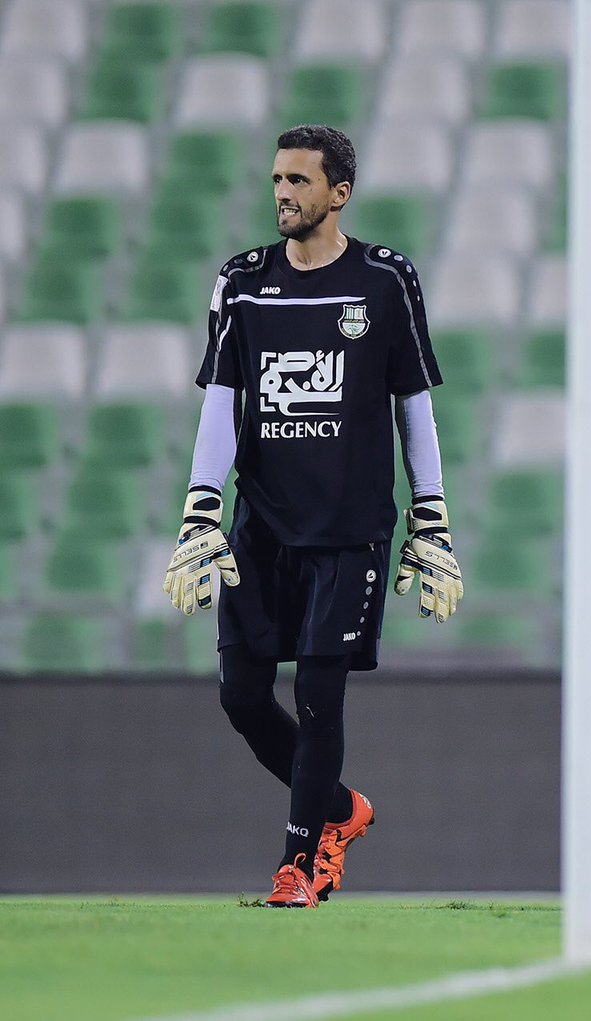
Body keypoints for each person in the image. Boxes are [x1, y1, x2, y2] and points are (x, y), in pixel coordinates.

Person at [163, 124, 463, 908]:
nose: (283, 194)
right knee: (240, 695)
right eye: (277, 180)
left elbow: (413, 404)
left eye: (298, 180)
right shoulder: (242, 281)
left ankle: (298, 863)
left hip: (349, 530)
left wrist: (430, 513)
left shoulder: (386, 278)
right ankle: (340, 808)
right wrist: (202, 505)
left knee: (319, 696)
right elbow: (221, 398)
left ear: (340, 193)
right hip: (260, 528)